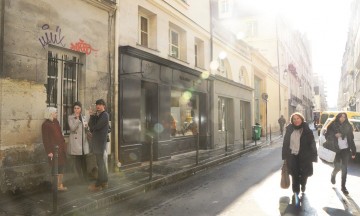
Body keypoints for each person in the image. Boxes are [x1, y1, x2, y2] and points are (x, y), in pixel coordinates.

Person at [282, 112, 317, 202]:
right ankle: (296, 191)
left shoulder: (306, 129)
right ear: (292, 121)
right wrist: (285, 156)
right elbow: (285, 144)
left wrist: (313, 155)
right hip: (292, 156)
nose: (296, 121)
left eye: (298, 118)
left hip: (305, 156)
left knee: (304, 174)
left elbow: (312, 143)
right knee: (294, 175)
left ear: (301, 119)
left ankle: (303, 184)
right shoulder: (289, 129)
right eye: (294, 119)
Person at [325, 112, 356, 195]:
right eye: (341, 117)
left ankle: (343, 187)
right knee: (338, 167)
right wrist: (335, 135)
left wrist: (353, 151)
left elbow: (351, 139)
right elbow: (326, 135)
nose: (342, 118)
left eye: (344, 117)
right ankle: (333, 174)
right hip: (336, 150)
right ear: (338, 117)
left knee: (344, 169)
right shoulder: (332, 125)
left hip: (345, 150)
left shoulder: (348, 126)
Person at [42, 107, 68, 191]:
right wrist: (49, 151)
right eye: (55, 112)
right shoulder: (45, 125)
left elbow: (60, 134)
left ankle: (59, 185)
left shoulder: (56, 122)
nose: (57, 114)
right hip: (53, 150)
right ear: (50, 113)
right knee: (55, 166)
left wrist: (63, 144)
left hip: (61, 148)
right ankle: (55, 186)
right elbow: (45, 139)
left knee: (61, 166)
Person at [87, 99, 109, 191]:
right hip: (97, 142)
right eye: (97, 105)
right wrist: (91, 116)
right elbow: (90, 125)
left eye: (100, 105)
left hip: (100, 143)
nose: (98, 106)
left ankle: (99, 184)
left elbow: (95, 127)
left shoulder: (105, 115)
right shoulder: (98, 115)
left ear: (104, 106)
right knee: (101, 163)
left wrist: (92, 127)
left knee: (100, 164)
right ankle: (104, 181)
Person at [67, 101, 90, 182]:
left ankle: (86, 178)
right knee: (78, 161)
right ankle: (80, 179)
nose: (76, 110)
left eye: (78, 108)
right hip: (76, 142)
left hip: (83, 142)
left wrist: (87, 127)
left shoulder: (83, 117)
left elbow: (86, 128)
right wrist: (77, 119)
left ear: (80, 109)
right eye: (75, 108)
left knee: (84, 161)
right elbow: (72, 128)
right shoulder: (70, 117)